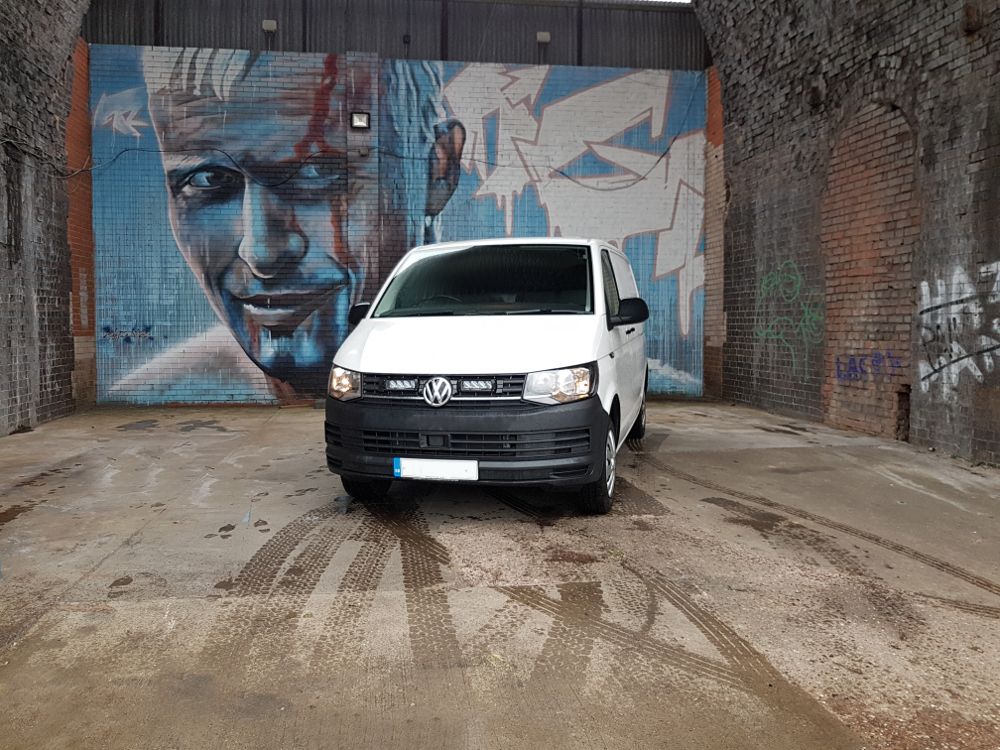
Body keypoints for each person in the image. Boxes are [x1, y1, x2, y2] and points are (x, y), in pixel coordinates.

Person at [111, 50, 464, 400]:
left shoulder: (494, 361)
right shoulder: (153, 391)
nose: (261, 253)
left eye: (318, 172)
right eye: (208, 179)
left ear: (438, 171)